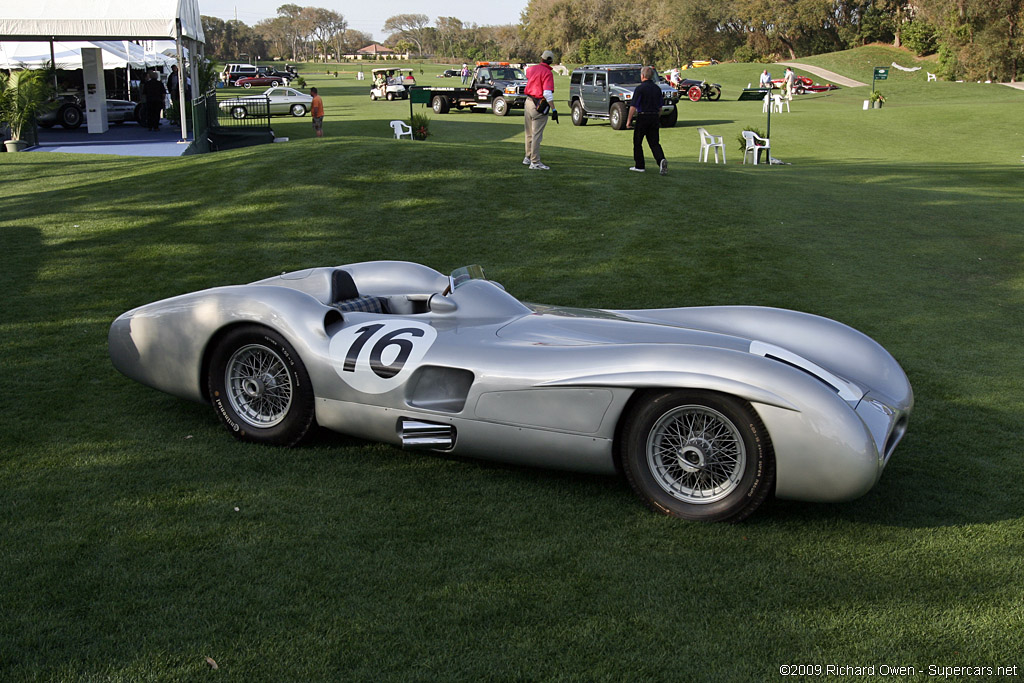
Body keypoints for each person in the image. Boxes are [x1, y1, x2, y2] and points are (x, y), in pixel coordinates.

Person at [624, 66, 667, 175]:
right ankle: (661, 159)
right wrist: (657, 118)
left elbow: (633, 106)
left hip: (643, 116)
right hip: (654, 117)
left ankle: (639, 165)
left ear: (642, 76)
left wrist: (628, 121)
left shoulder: (640, 88)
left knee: (638, 142)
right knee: (654, 143)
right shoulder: (657, 89)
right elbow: (660, 107)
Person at [523, 50, 556, 170]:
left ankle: (528, 157)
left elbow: (528, 76)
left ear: (541, 58)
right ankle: (535, 161)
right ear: (551, 61)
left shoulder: (531, 69)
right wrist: (554, 109)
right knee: (537, 134)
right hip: (539, 105)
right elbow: (547, 93)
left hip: (528, 102)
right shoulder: (547, 73)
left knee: (529, 133)